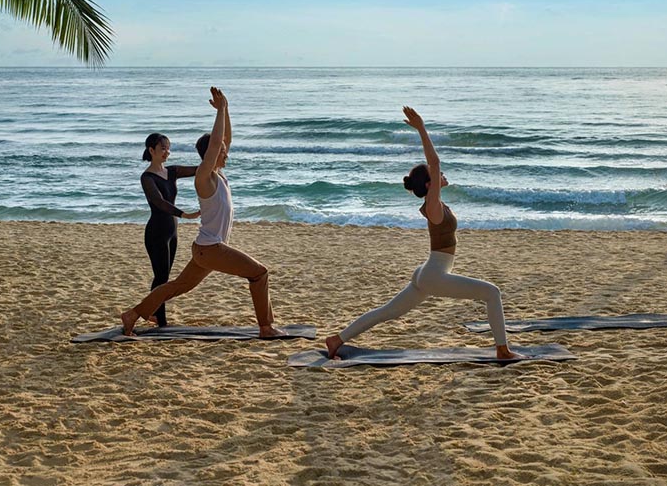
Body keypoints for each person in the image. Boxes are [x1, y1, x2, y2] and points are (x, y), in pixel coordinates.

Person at [325, 106, 521, 360]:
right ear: (430, 184)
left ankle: (336, 340)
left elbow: (436, 173)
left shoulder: (434, 204)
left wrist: (436, 175)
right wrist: (422, 129)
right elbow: (435, 162)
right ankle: (502, 350)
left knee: (388, 312)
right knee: (491, 292)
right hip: (433, 274)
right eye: (436, 176)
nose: (441, 174)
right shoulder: (432, 205)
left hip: (428, 272)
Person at [121, 87, 286, 338]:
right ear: (212, 152)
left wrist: (226, 109)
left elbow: (225, 140)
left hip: (205, 249)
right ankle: (266, 327)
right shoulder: (204, 177)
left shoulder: (219, 174)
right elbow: (217, 143)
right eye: (221, 149)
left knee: (176, 286)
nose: (226, 151)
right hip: (211, 249)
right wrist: (219, 112)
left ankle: (132, 315)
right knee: (259, 273)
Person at [139, 133, 200, 327]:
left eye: (168, 148)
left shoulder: (172, 171)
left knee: (164, 276)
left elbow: (199, 170)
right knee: (161, 276)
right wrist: (184, 214)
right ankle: (160, 321)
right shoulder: (147, 177)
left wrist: (214, 154)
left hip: (172, 231)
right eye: (163, 148)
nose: (167, 152)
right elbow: (159, 202)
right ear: (151, 150)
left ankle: (154, 314)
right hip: (156, 231)